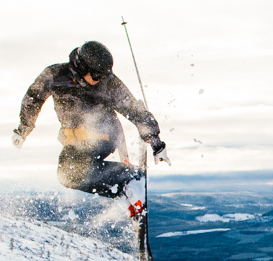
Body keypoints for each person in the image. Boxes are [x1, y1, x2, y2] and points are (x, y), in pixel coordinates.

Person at [12, 40, 166, 203]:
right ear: (82, 68)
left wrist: (156, 143)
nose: (101, 79)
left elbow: (134, 109)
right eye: (97, 75)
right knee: (66, 176)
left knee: (76, 170)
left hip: (104, 134)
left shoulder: (108, 83)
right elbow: (33, 99)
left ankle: (130, 179)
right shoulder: (55, 75)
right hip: (74, 139)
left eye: (104, 75)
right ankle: (122, 189)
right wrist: (23, 130)